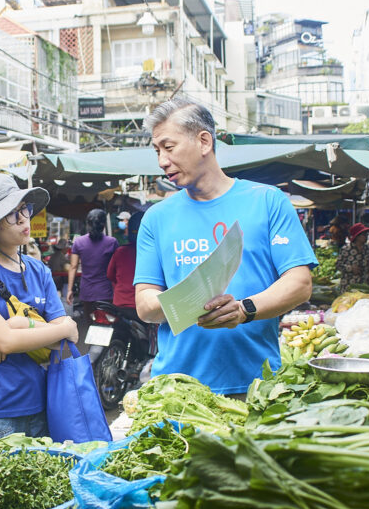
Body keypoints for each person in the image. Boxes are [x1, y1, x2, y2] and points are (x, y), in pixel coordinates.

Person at [133, 99, 316, 396]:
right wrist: (187, 303)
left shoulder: (268, 201)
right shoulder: (156, 217)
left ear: (204, 141)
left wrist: (244, 310)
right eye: (157, 151)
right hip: (177, 390)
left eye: (169, 147)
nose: (162, 161)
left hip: (255, 386)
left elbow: (299, 283)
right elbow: (145, 304)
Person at [0, 174, 79, 449]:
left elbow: (67, 338)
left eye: (25, 209)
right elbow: (6, 341)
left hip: (41, 406)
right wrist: (57, 328)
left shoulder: (38, 270)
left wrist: (22, 326)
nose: (24, 219)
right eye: (11, 214)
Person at [66, 208, 117, 313]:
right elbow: (117, 267)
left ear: (87, 224)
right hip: (106, 291)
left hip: (87, 291)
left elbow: (73, 267)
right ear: (103, 225)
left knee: (90, 324)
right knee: (109, 323)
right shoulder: (112, 242)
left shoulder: (78, 242)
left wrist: (69, 290)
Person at [106, 211, 144, 319]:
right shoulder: (154, 253)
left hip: (120, 304)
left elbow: (110, 275)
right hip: (143, 307)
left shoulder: (120, 251)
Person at [336, 222, 369, 290]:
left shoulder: (367, 249)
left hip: (363, 286)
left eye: (366, 234)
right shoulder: (346, 249)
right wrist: (350, 268)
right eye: (364, 235)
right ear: (357, 236)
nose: (366, 237)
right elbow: (338, 265)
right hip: (348, 286)